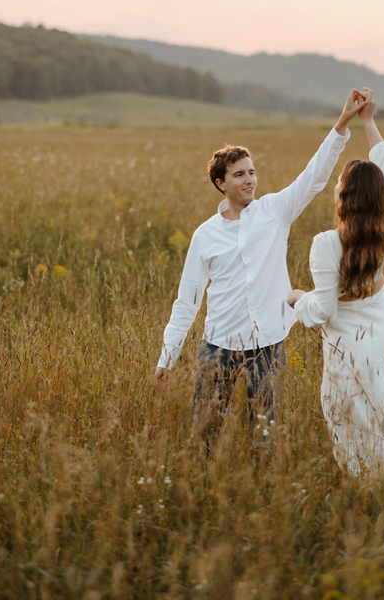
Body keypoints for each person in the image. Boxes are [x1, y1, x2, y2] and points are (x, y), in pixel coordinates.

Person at [153, 89, 369, 444]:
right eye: (239, 175)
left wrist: (342, 122)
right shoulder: (205, 236)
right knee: (204, 433)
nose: (249, 180)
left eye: (251, 172)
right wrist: (168, 355)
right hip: (218, 346)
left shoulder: (274, 212)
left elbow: (314, 177)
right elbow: (187, 302)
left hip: (268, 344)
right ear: (221, 184)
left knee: (265, 436)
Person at [287, 90, 384, 474]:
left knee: (354, 422)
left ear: (344, 195)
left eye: (339, 182)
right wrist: (368, 121)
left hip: (348, 348)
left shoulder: (325, 244)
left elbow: (322, 311)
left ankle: (369, 483)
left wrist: (296, 298)